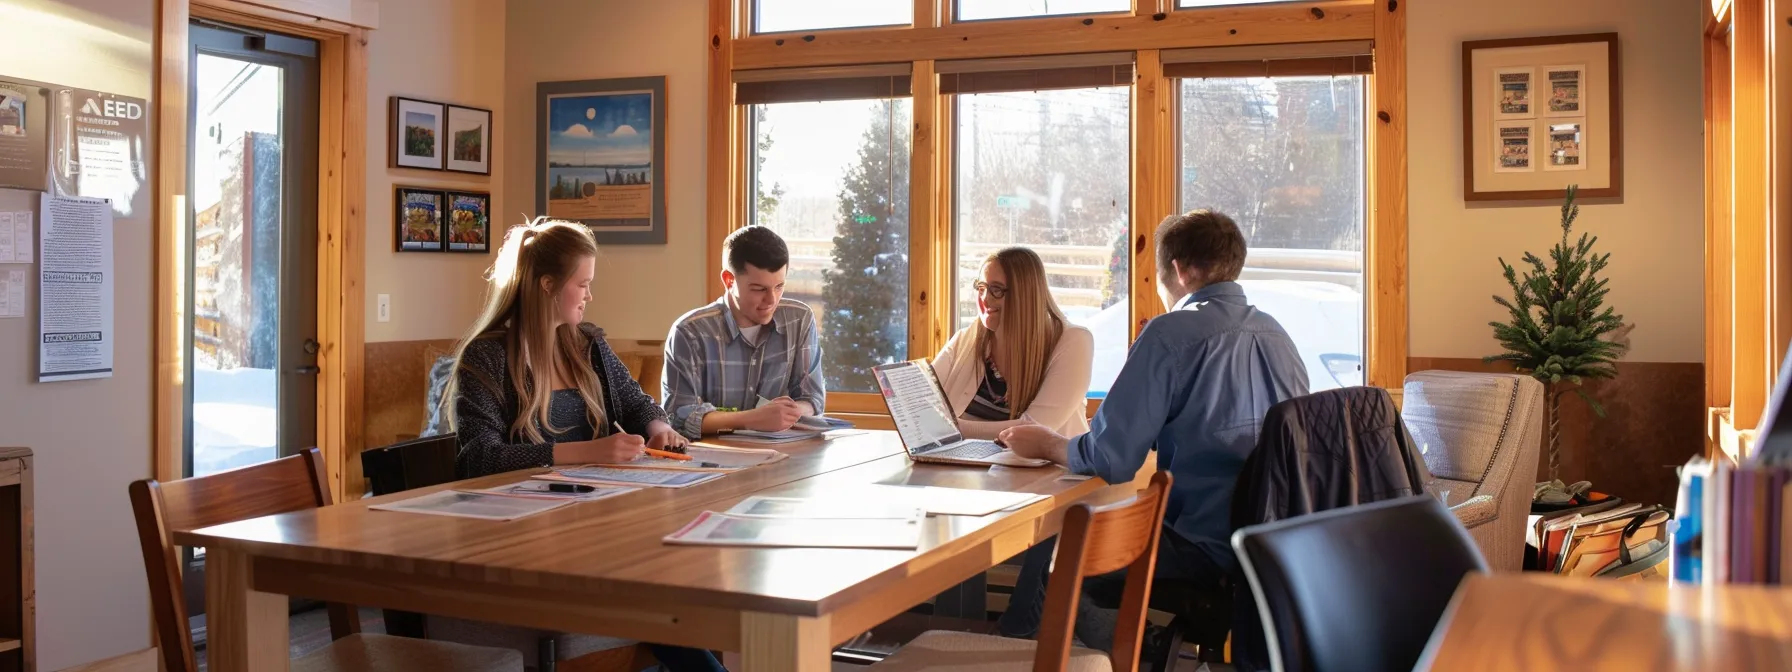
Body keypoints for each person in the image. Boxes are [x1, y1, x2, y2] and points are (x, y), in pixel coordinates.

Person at [995, 210, 1310, 655]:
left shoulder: (1171, 334)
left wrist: (1046, 442)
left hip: (1203, 542)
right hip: (1272, 539)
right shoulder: (1276, 333)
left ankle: (1145, 655)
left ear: (1177, 270)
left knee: (1059, 566)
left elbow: (1113, 459)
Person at [444, 217, 723, 672]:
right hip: (526, 540)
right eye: (583, 284)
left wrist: (657, 428)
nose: (590, 295)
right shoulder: (488, 356)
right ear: (547, 286)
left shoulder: (586, 344)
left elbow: (636, 402)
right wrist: (588, 451)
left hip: (594, 522)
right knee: (655, 593)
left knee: (670, 577)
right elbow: (478, 459)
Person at [662, 225, 825, 438]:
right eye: (759, 289)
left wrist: (789, 413)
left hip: (785, 454)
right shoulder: (690, 332)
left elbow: (812, 398)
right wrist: (754, 419)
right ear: (729, 280)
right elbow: (678, 418)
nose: (772, 300)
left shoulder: (799, 318)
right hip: (715, 457)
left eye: (779, 286)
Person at [931, 247, 1093, 438]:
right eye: (981, 288)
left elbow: (1036, 429)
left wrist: (952, 429)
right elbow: (921, 403)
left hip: (1050, 468)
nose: (985, 298)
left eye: (996, 290)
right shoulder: (965, 340)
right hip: (969, 467)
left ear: (1025, 295)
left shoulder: (1074, 341)